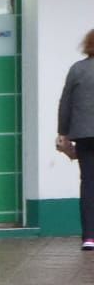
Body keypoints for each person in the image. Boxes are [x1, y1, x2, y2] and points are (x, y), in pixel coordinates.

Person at [55, 28, 94, 249]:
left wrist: (63, 132)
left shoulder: (77, 69)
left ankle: (89, 237)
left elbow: (65, 104)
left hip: (84, 135)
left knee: (88, 183)